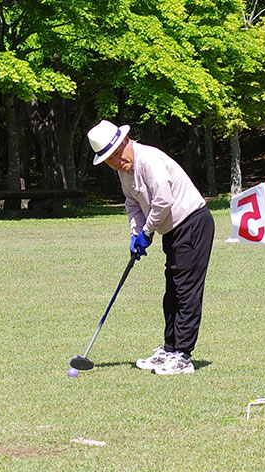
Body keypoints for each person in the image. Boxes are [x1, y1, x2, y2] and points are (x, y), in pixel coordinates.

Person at [86, 120, 214, 375]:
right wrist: (136, 235)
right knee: (172, 292)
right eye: (109, 160)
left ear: (125, 142)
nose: (116, 163)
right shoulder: (125, 172)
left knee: (186, 291)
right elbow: (133, 204)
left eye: (116, 155)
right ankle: (170, 348)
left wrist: (147, 233)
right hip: (173, 231)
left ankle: (183, 356)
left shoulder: (149, 160)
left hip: (191, 223)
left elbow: (162, 202)